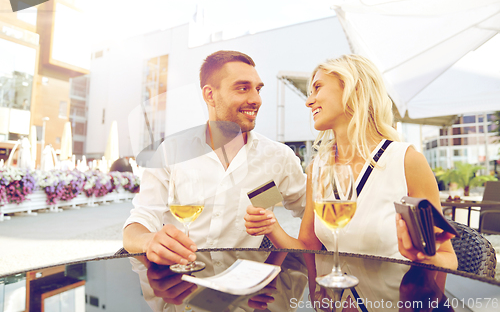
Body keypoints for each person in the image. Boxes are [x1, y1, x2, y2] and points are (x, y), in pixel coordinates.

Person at [245, 54, 458, 270]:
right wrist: (271, 227)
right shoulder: (318, 167)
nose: (309, 101)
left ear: (354, 88)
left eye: (318, 88)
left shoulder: (407, 161)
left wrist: (425, 257)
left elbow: (447, 257)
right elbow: (309, 250)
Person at [123, 50, 306, 266]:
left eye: (258, 89)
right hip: (182, 287)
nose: (256, 99)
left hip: (245, 291)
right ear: (210, 95)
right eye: (242, 88)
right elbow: (139, 222)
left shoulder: (277, 157)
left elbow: (314, 214)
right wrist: (148, 241)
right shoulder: (170, 151)